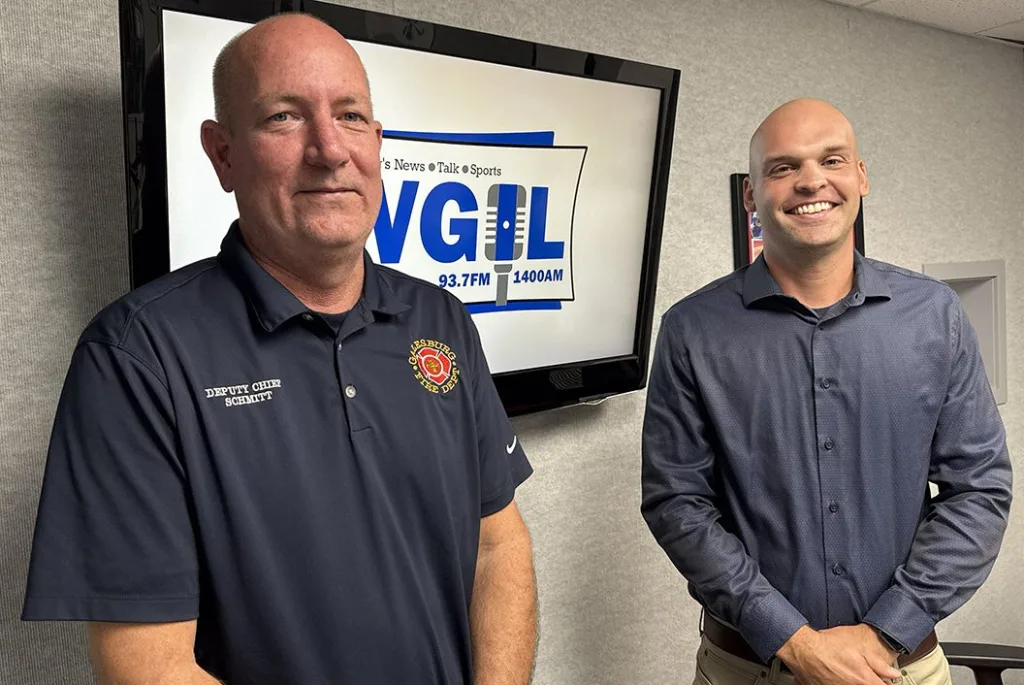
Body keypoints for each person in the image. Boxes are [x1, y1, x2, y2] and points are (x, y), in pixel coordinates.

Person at [23, 13, 537, 685]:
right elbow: (147, 665)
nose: (330, 150)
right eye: (284, 118)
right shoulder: (136, 357)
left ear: (378, 142)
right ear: (223, 154)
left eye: (350, 116)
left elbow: (497, 545)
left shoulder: (441, 319)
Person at [641, 98, 1012, 685]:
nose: (811, 181)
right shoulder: (692, 330)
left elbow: (980, 489)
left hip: (899, 668)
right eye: (783, 167)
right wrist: (791, 639)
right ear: (750, 194)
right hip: (747, 670)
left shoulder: (934, 315)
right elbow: (677, 501)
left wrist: (884, 630)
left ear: (861, 176)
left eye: (832, 160)